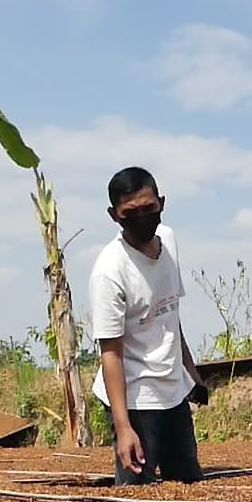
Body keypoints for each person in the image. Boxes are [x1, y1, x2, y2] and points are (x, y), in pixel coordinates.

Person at [89, 166, 207, 485]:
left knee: (187, 482)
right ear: (114, 215)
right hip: (135, 396)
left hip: (172, 390)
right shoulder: (110, 272)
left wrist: (191, 373)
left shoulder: (168, 241)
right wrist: (124, 426)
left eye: (149, 208)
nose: (142, 216)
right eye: (131, 212)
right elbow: (110, 353)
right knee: (135, 491)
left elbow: (169, 315)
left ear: (162, 204)